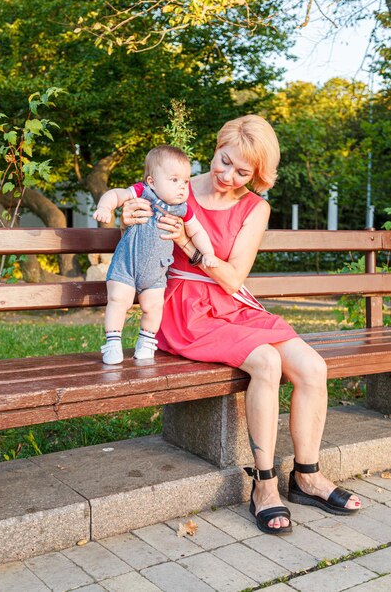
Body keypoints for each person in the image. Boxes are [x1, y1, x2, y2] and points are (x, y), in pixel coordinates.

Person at [121, 115, 362, 535]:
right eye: (224, 161)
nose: (228, 175)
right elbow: (132, 225)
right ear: (216, 148)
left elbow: (233, 277)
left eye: (242, 172)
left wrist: (187, 244)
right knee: (266, 361)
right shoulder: (174, 183)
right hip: (182, 306)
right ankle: (264, 484)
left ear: (258, 175)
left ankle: (306, 476)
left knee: (312, 367)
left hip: (231, 300)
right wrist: (129, 215)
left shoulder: (255, 207)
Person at [93, 144, 218, 365]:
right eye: (174, 180)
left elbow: (197, 230)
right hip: (126, 265)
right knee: (118, 300)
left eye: (185, 181)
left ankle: (147, 342)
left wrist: (207, 252)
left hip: (156, 272)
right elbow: (116, 194)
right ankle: (113, 342)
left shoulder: (183, 208)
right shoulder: (143, 192)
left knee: (153, 307)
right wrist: (106, 207)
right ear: (152, 181)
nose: (182, 187)